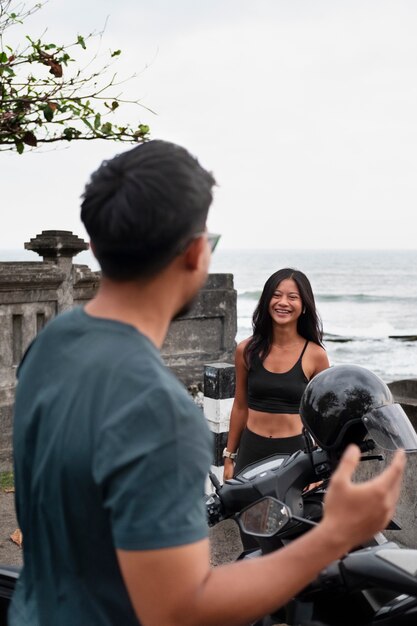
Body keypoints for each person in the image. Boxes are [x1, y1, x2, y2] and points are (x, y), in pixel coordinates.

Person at [10, 139, 405, 626]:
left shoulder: (50, 345)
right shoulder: (159, 412)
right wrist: (336, 535)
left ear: (95, 246)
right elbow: (180, 608)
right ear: (197, 252)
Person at [224, 268, 330, 480]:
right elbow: (240, 406)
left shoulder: (315, 355)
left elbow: (322, 416)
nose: (283, 302)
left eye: (293, 297)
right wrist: (229, 457)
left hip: (294, 455)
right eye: (276, 295)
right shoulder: (246, 350)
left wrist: (320, 467)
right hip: (250, 450)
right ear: (266, 301)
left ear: (304, 306)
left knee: (289, 514)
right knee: (246, 513)